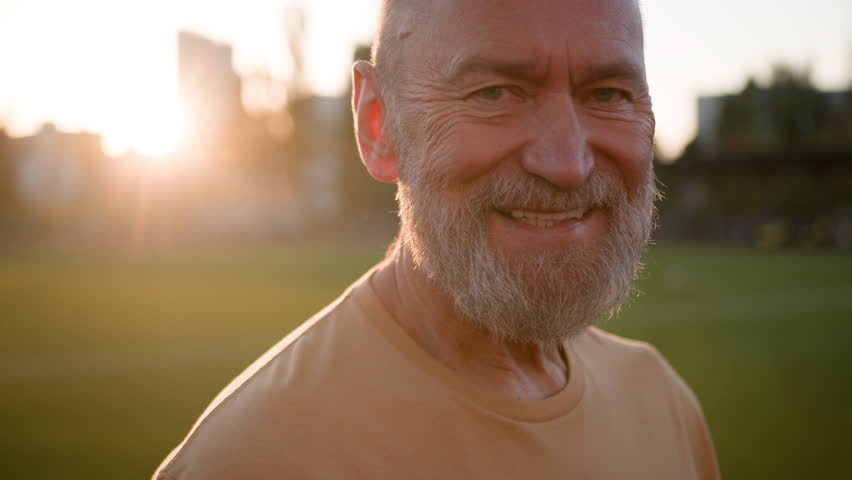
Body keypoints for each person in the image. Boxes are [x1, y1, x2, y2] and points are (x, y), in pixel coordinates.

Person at [153, 0, 719, 478]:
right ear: (379, 124)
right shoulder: (251, 457)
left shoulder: (662, 405)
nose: (567, 163)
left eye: (608, 93)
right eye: (495, 93)